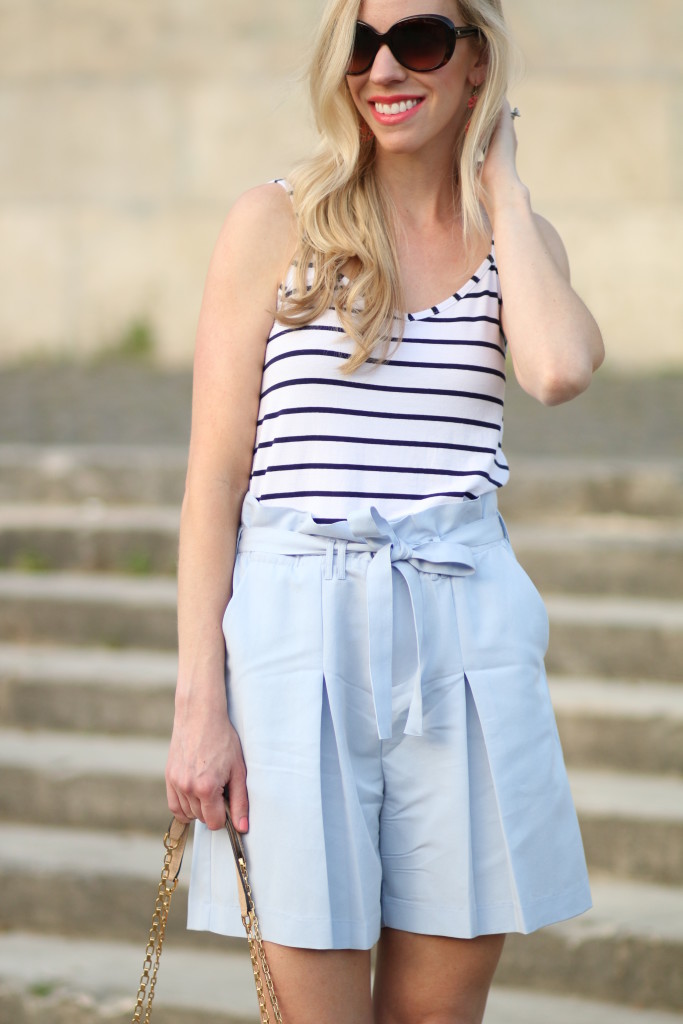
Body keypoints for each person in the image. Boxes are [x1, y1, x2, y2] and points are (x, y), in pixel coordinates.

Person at [165, 0, 604, 1021]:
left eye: (416, 40)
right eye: (362, 45)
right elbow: (211, 480)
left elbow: (556, 368)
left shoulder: (515, 242)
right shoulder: (273, 222)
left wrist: (499, 176)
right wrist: (199, 704)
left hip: (462, 639)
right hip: (293, 642)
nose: (382, 70)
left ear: (472, 61)